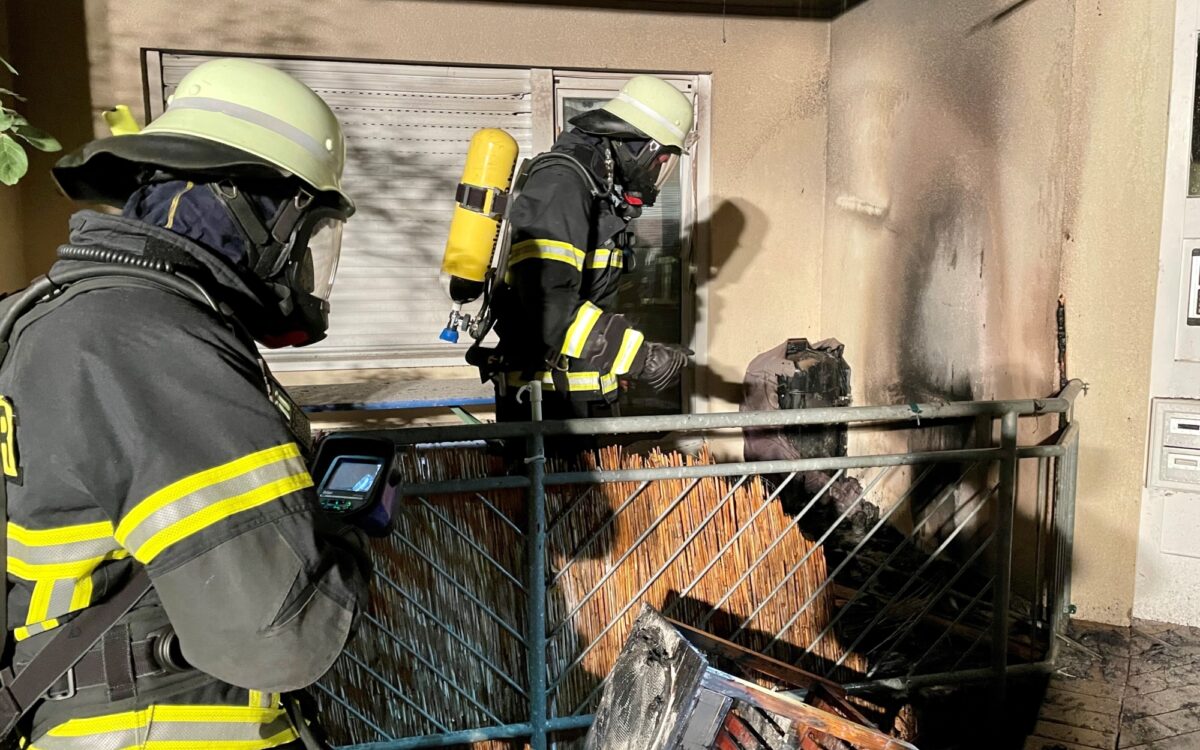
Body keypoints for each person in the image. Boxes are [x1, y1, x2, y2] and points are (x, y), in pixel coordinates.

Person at [0, 59, 369, 749]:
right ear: (251, 209)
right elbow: (279, 637)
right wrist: (343, 532)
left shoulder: (67, 317)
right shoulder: (145, 342)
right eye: (306, 231)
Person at [488, 75, 696, 424]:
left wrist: (620, 358)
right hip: (549, 408)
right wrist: (641, 359)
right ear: (642, 145)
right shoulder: (563, 185)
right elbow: (548, 305)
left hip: (575, 395)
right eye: (662, 158)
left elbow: (589, 298)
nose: (660, 170)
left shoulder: (596, 190)